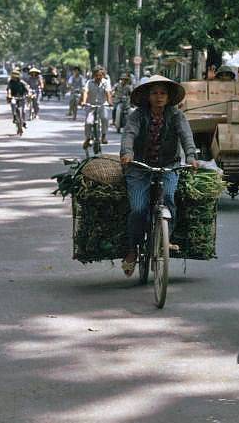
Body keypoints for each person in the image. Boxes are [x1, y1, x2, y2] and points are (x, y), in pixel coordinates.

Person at [119, 75, 200, 276]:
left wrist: (191, 156)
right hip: (139, 167)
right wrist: (127, 153)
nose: (158, 97)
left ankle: (165, 239)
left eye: (163, 93)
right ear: (147, 96)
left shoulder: (176, 115)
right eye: (154, 93)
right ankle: (132, 249)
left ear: (169, 96)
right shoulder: (137, 115)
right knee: (138, 209)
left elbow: (186, 136)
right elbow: (129, 134)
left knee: (170, 198)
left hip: (169, 166)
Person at [81, 66, 112, 149]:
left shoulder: (106, 82)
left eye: (100, 75)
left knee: (105, 118)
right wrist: (84, 102)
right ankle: (87, 138)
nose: (98, 77)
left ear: (103, 75)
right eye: (96, 75)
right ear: (94, 75)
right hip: (91, 105)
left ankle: (104, 136)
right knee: (88, 122)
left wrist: (110, 102)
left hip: (102, 105)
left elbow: (108, 93)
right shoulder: (89, 82)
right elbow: (86, 92)